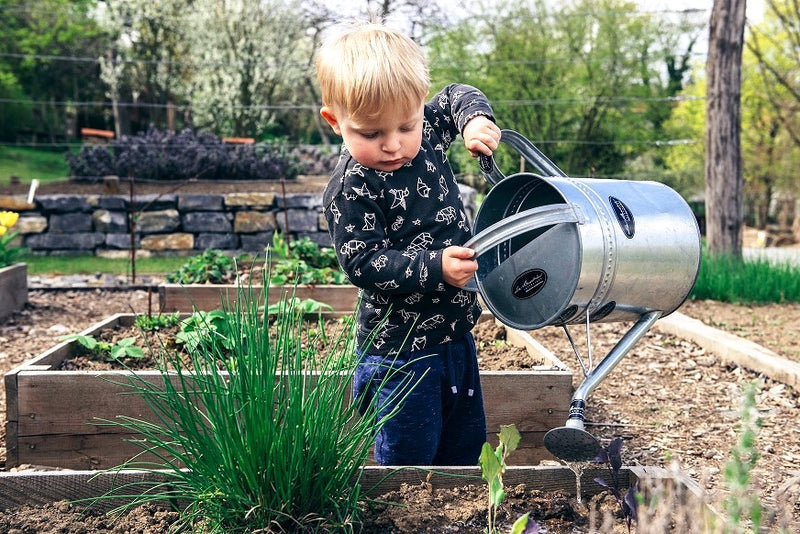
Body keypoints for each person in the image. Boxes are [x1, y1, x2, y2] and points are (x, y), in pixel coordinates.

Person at [315, 21, 501, 466]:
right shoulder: (352, 188)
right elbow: (364, 262)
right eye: (371, 133)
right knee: (410, 459)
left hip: (457, 335)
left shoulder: (429, 131)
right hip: (399, 354)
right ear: (335, 122)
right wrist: (435, 267)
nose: (394, 144)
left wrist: (475, 120)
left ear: (419, 108)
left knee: (464, 445)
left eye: (406, 125)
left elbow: (457, 94)